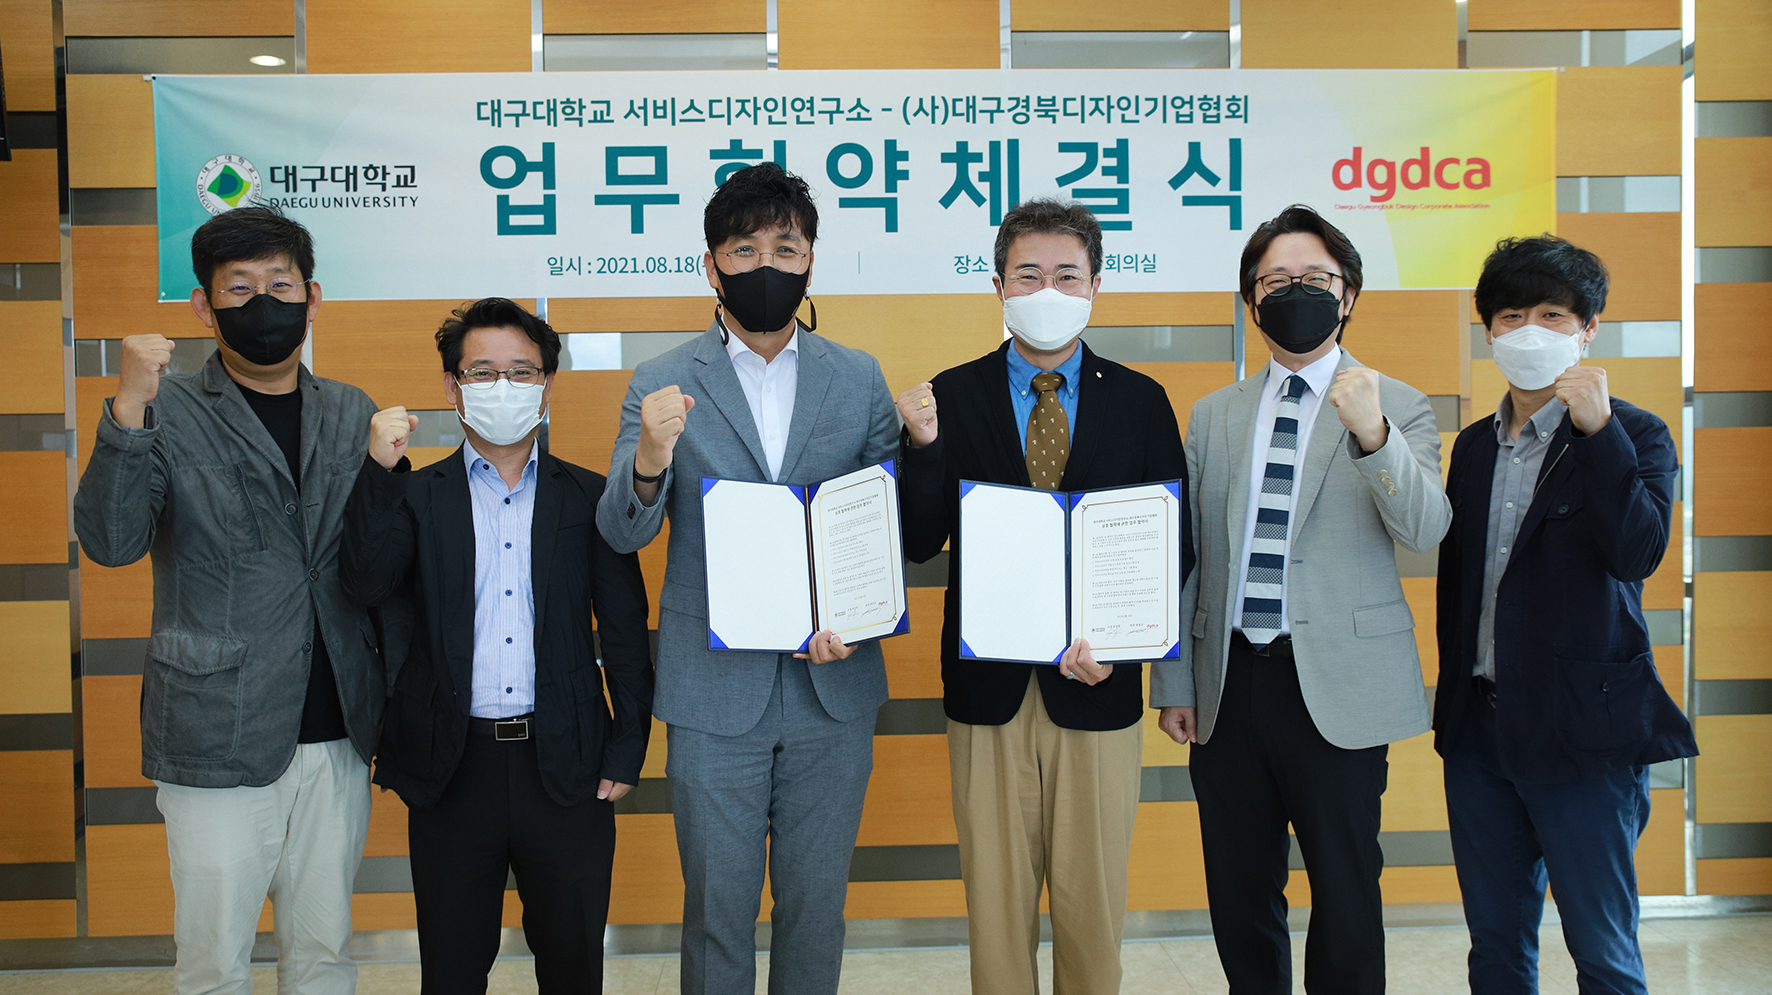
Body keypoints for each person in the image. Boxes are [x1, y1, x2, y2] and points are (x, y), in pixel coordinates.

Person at [595, 162, 899, 995]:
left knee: (816, 906)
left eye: (785, 247)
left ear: (810, 261)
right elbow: (622, 530)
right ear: (712, 264)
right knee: (715, 912)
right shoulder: (661, 382)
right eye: (744, 249)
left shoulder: (858, 376)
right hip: (712, 693)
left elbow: (881, 529)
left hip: (832, 689)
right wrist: (649, 457)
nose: (767, 263)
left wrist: (858, 618)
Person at [72, 207, 382, 995]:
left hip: (337, 729)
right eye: (238, 288)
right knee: (214, 962)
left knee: (324, 953)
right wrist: (127, 409)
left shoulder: (351, 409)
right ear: (203, 307)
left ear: (313, 298)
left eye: (281, 284)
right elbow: (111, 542)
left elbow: (372, 558)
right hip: (215, 729)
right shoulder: (164, 408)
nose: (263, 303)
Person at [1151, 204, 1452, 995]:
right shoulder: (1214, 414)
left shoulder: (1399, 403)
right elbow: (1190, 557)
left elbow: (1426, 528)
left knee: (1346, 888)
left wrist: (1373, 434)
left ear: (1347, 293)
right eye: (1275, 280)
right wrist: (1175, 680)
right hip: (1229, 686)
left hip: (1339, 686)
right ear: (1253, 301)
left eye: (1315, 277)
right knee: (1239, 888)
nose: (1296, 292)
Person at [896, 198, 1189, 994]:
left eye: (1067, 274)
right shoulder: (951, 396)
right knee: (996, 905)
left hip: (1098, 684)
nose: (1047, 289)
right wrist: (922, 450)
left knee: (1093, 904)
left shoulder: (1141, 400)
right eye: (1028, 274)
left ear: (1096, 286)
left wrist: (1122, 646)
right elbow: (919, 540)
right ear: (998, 286)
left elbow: (1173, 547)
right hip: (986, 689)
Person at [337, 298, 653, 993]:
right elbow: (362, 581)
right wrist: (379, 473)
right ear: (452, 388)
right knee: (452, 972)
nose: (502, 386)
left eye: (521, 371)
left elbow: (626, 628)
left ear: (547, 385)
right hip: (452, 768)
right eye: (481, 372)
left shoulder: (589, 498)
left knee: (572, 967)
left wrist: (627, 743)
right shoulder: (415, 495)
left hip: (567, 766)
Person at [1435, 236, 1697, 995]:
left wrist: (1597, 433)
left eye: (1552, 315)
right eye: (1510, 316)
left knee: (1602, 949)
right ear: (1489, 332)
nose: (1529, 332)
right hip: (1481, 730)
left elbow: (1637, 554)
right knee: (1496, 944)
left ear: (1588, 329)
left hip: (1584, 731)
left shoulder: (1635, 433)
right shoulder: (1473, 447)